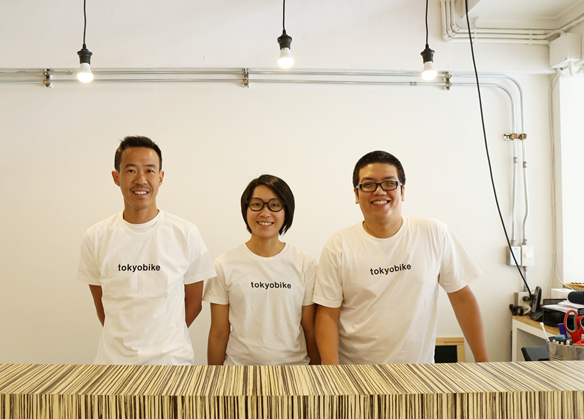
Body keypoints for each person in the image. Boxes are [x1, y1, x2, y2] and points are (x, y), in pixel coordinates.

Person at [313, 150, 490, 364]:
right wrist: (332, 374)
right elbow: (327, 315)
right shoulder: (339, 245)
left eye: (389, 183)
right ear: (356, 194)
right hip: (356, 373)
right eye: (368, 185)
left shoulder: (434, 233)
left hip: (419, 373)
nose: (379, 191)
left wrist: (483, 363)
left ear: (402, 191)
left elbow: (462, 299)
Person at [77, 136, 216, 365]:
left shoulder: (186, 233)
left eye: (149, 170)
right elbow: (103, 307)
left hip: (171, 364)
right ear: (116, 177)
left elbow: (194, 304)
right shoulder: (96, 236)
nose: (141, 179)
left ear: (160, 177)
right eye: (131, 170)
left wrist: (165, 340)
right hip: (113, 365)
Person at [205, 174, 320, 365]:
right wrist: (215, 378)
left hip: (294, 370)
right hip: (239, 371)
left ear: (287, 212)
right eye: (257, 204)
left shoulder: (305, 263)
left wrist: (317, 373)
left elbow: (309, 328)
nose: (265, 212)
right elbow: (218, 334)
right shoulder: (224, 264)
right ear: (246, 209)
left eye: (275, 205)